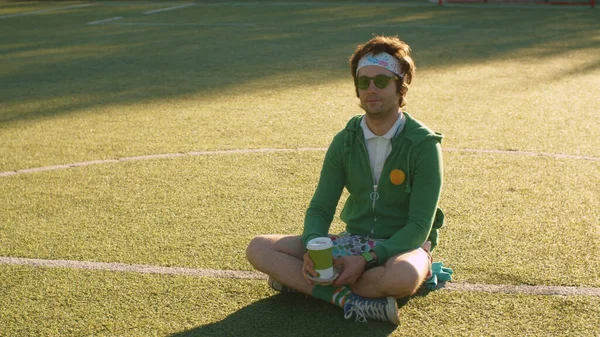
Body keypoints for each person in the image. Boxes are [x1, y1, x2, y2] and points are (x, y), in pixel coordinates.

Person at [246, 35, 445, 325]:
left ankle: (303, 284)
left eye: (381, 81)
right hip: (352, 242)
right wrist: (315, 248)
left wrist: (365, 261)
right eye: (363, 82)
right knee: (259, 248)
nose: (371, 89)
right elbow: (321, 208)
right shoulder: (345, 140)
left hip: (401, 248)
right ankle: (350, 300)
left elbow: (418, 227)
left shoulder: (424, 144)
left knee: (404, 277)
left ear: (400, 85)